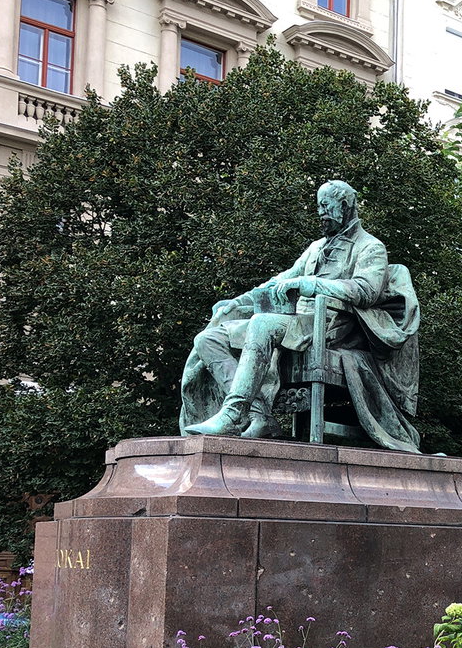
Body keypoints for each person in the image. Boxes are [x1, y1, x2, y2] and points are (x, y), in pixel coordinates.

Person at [179, 179, 421, 451]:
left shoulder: (370, 246)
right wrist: (236, 302)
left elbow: (366, 290)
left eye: (325, 206)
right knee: (208, 339)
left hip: (330, 326)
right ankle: (258, 415)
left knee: (261, 324)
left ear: (345, 205)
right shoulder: (316, 247)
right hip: (296, 323)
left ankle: (233, 414)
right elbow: (277, 282)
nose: (321, 213)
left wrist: (312, 284)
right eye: (319, 206)